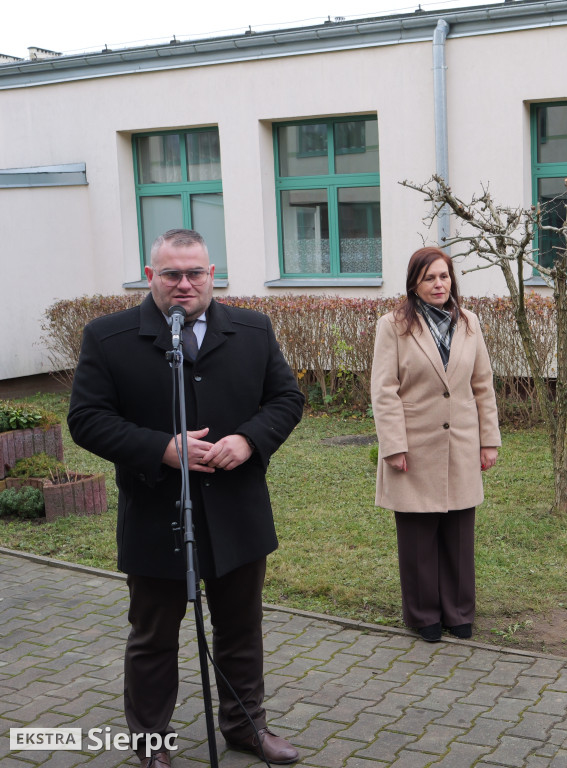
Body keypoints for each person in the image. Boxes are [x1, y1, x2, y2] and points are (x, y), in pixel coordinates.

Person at [67, 229, 304, 767]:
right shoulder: (109, 337)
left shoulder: (252, 328)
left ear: (212, 275)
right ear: (151, 276)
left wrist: (249, 439)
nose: (183, 284)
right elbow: (86, 420)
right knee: (153, 635)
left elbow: (287, 398)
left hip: (237, 510)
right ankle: (152, 742)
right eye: (171, 274)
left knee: (241, 626)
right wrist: (161, 449)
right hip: (156, 514)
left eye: (195, 273)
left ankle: (246, 726)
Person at [370, 246, 501, 642]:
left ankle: (459, 612)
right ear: (414, 283)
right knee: (418, 536)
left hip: (461, 441)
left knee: (459, 534)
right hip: (413, 444)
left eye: (444, 276)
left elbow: (483, 385)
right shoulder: (393, 326)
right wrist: (393, 445)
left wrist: (488, 440)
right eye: (430, 278)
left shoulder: (469, 322)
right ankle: (424, 615)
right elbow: (384, 390)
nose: (439, 284)